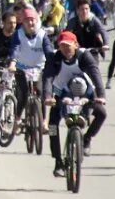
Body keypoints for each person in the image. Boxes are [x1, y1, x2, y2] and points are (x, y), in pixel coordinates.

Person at [41, 31, 107, 177]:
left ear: (76, 45)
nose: (65, 50)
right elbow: (48, 77)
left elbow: (95, 74)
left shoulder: (85, 56)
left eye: (68, 46)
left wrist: (101, 96)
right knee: (52, 126)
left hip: (85, 93)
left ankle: (87, 139)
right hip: (61, 93)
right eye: (62, 46)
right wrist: (47, 96)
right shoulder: (55, 58)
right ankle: (58, 161)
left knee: (102, 113)